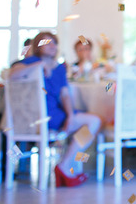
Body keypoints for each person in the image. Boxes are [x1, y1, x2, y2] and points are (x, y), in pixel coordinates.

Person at [10, 31, 102, 187]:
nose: (52, 46)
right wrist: (38, 65)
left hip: (56, 114)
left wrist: (70, 116)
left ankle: (65, 164)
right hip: (42, 115)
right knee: (93, 122)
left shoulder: (59, 68)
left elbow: (65, 94)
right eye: (48, 43)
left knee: (93, 122)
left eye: (54, 43)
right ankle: (64, 166)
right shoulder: (31, 61)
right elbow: (12, 74)